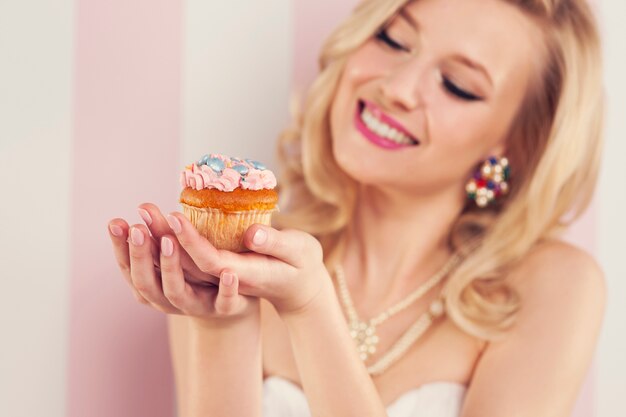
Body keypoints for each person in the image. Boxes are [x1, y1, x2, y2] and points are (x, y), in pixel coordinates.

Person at [108, 0, 606, 415]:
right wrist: (223, 322)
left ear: (515, 145)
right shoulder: (230, 261)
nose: (396, 88)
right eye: (393, 40)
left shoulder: (551, 288)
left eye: (456, 85)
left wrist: (310, 309)